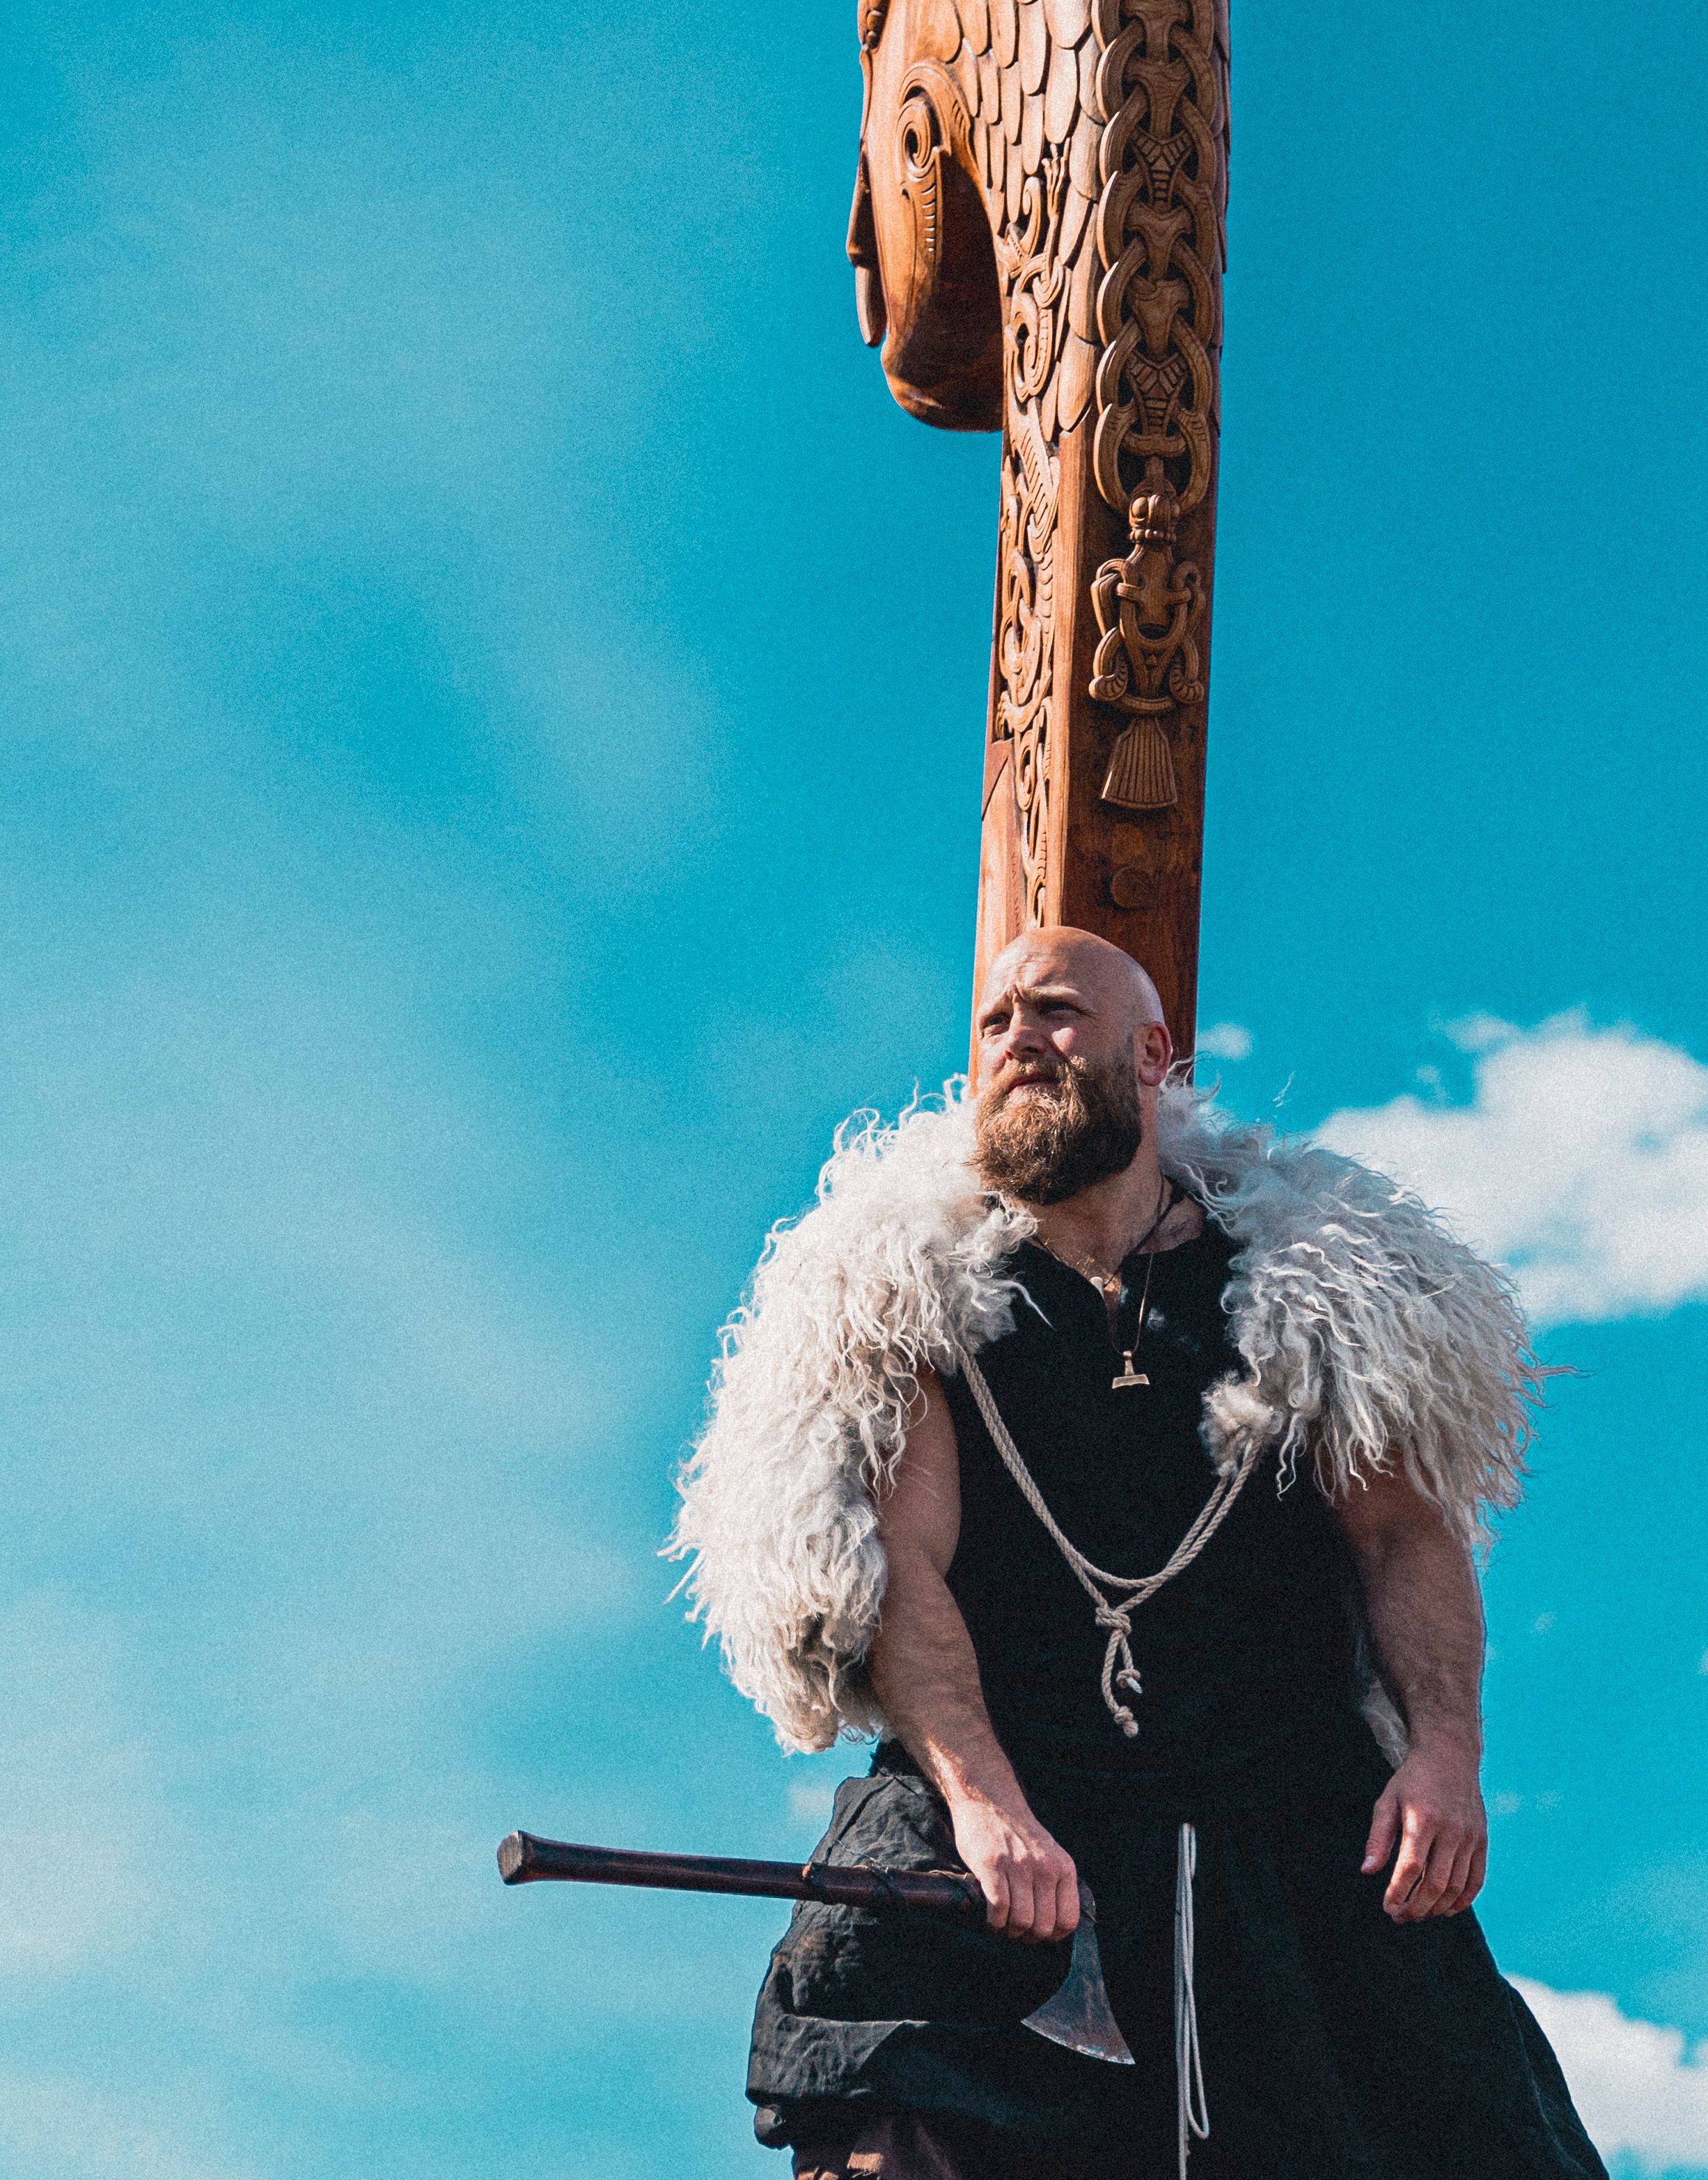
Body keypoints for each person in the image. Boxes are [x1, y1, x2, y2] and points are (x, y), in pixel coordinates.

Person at [671, 928, 1606, 2178]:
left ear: (1152, 1054)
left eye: (1055, 1012)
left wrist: (1443, 1757)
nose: (1017, 1042)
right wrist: (987, 1810)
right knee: (902, 2139)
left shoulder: (1305, 1285)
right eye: (996, 1023)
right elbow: (900, 1571)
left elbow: (1399, 1536)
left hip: (1285, 1819)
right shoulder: (910, 1298)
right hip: (1013, 1822)